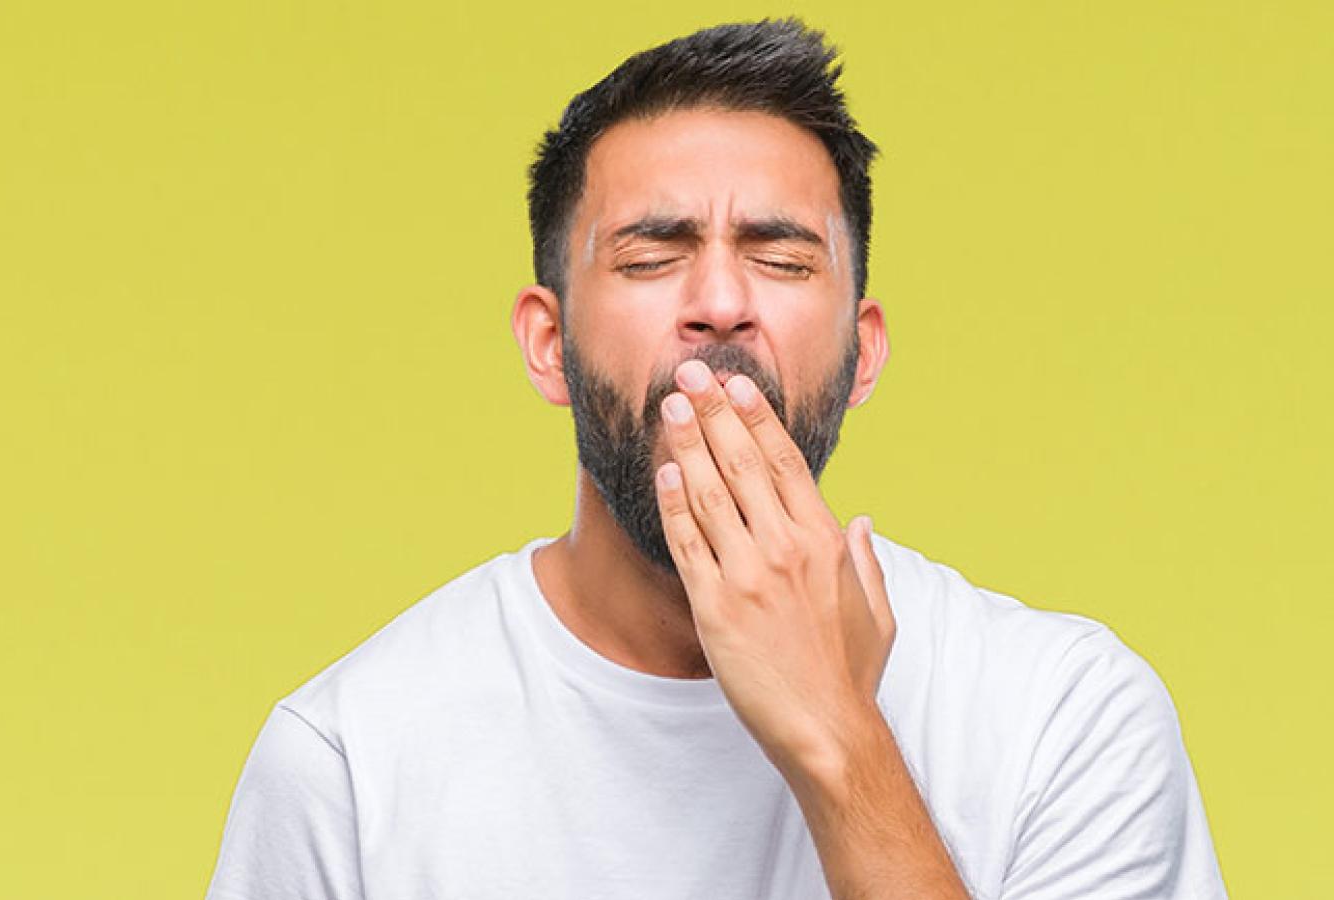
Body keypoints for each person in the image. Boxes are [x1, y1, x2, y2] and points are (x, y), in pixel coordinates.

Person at [205, 18, 1227, 899]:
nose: (721, 302)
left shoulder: (1067, 720)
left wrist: (838, 736)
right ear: (547, 345)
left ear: (861, 352)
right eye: (652, 255)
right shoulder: (347, 765)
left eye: (782, 258)